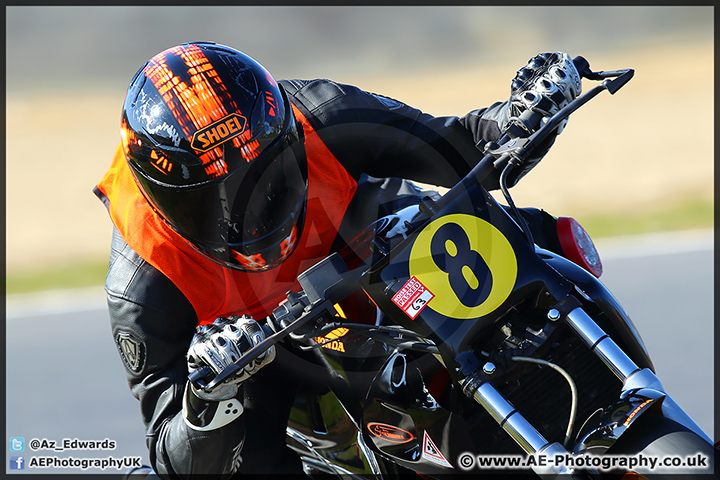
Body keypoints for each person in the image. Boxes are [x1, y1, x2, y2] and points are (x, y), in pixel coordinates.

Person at [94, 41, 581, 479]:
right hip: (262, 345)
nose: (244, 218)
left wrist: (527, 113)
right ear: (158, 199)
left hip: (367, 247)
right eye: (207, 204)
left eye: (267, 179)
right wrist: (205, 399)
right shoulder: (143, 278)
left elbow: (461, 145)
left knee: (531, 238)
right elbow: (168, 449)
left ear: (286, 134)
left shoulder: (323, 114)